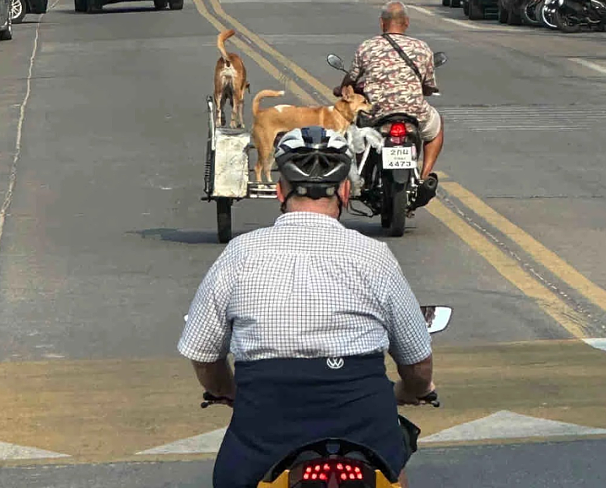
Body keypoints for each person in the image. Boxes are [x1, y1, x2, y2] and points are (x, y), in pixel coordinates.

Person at [179, 126, 434, 488]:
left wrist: (227, 391)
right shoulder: (374, 256)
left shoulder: (241, 254)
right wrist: (414, 389)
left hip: (266, 422)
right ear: (345, 191)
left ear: (279, 191)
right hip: (363, 421)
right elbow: (418, 363)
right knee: (392, 472)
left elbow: (204, 354)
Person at [341, 1, 442, 195]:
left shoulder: (367, 47)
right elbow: (429, 86)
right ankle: (424, 176)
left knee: (357, 130)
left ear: (382, 23)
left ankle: (362, 175)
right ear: (407, 22)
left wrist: (342, 88)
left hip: (376, 112)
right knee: (436, 128)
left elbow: (351, 79)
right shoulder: (422, 48)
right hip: (413, 113)